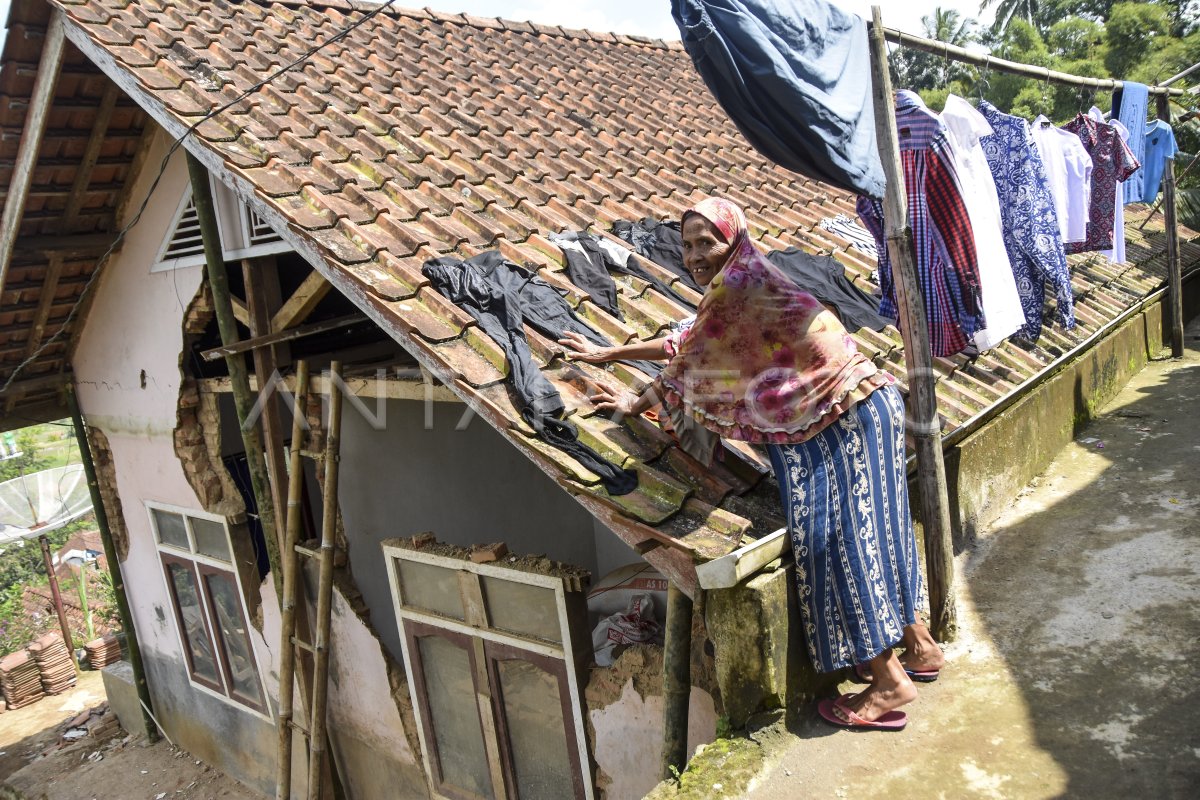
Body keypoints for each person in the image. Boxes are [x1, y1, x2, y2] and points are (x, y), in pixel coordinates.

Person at [559, 198, 943, 730]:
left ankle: (887, 683)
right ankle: (919, 647)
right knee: (881, 529)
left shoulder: (734, 288)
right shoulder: (743, 279)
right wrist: (609, 356)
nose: (694, 254)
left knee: (833, 540)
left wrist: (629, 400)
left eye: (705, 242)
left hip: (836, 420)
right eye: (688, 243)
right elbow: (688, 343)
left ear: (732, 239)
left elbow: (686, 363)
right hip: (864, 403)